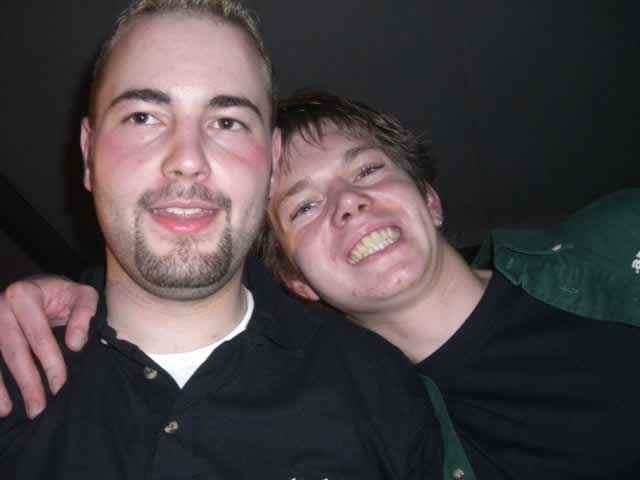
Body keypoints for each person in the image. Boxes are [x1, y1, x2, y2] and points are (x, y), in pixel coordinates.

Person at [5, 88, 640, 478]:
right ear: (296, 281)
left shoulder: (620, 239)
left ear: (429, 199)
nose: (349, 203)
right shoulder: (393, 428)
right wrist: (89, 302)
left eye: (366, 170)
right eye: (304, 206)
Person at [0, 3, 443, 478]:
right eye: (143, 117)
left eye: (227, 122)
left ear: (272, 161)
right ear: (88, 153)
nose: (188, 160)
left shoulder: (379, 386)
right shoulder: (9, 380)